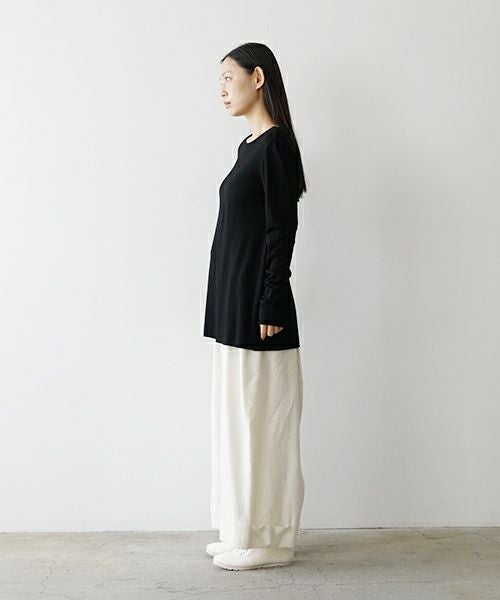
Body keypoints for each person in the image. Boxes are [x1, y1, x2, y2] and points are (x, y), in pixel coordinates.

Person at [203, 42, 307, 571]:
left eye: (229, 77)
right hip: (234, 305)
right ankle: (241, 529)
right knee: (238, 419)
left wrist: (271, 300)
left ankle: (269, 539)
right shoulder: (248, 147)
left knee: (261, 422)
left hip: (260, 312)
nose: (222, 89)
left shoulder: (275, 146)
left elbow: (280, 229)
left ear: (258, 77)